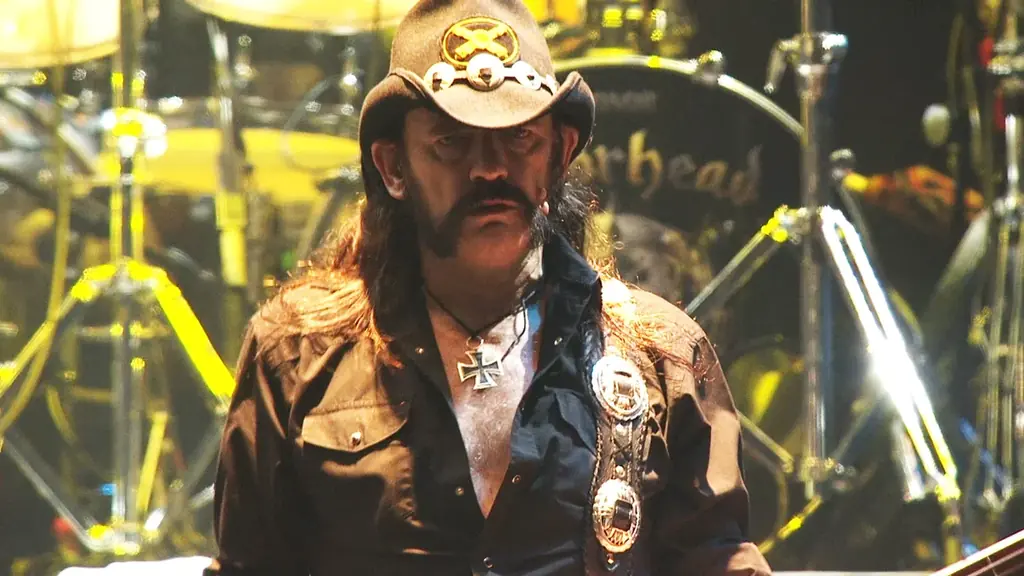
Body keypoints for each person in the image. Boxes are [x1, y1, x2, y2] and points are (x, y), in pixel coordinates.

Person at [204, 0, 772, 574]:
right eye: (452, 141)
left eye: (519, 138)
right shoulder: (297, 350)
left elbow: (718, 559)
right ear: (394, 167)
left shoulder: (661, 352)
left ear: (558, 154)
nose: (491, 169)